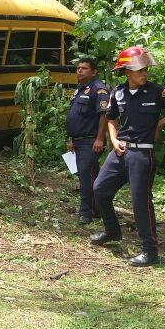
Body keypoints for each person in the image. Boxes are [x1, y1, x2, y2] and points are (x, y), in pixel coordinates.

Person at [90, 46, 165, 267]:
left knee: (140, 202)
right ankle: (112, 231)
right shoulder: (117, 92)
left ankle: (150, 251)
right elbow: (110, 117)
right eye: (140, 70)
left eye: (146, 69)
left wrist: (158, 125)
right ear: (127, 72)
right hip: (120, 151)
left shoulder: (156, 91)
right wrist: (113, 138)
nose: (144, 73)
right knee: (99, 189)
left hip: (142, 154)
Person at [65, 57, 110, 225]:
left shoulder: (99, 89)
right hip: (78, 141)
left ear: (94, 72)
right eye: (78, 68)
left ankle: (86, 212)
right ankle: (99, 209)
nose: (79, 70)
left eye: (84, 68)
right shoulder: (80, 89)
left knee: (86, 178)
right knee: (91, 176)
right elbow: (76, 117)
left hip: (90, 141)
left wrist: (100, 139)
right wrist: (71, 139)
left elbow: (104, 115)